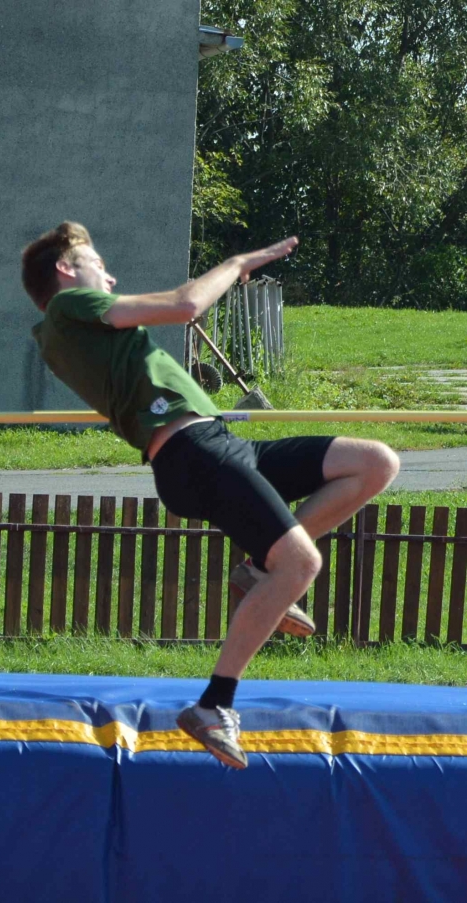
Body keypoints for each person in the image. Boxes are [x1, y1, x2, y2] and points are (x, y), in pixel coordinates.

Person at [22, 221, 400, 770]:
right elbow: (184, 304)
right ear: (65, 270)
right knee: (301, 564)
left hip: (218, 443)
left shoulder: (71, 327)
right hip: (192, 453)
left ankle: (256, 569)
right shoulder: (67, 309)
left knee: (374, 462)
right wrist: (239, 263)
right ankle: (214, 704)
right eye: (96, 261)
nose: (109, 273)